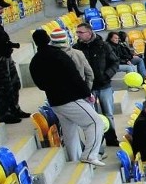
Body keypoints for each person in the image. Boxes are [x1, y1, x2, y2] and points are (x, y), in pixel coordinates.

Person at [29, 29, 104, 166]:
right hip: (71, 98)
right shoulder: (59, 55)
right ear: (48, 39)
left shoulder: (35, 61)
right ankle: (89, 155)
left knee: (70, 133)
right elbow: (74, 76)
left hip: (55, 102)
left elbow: (40, 85)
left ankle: (74, 162)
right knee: (95, 122)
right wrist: (87, 93)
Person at [73, 23, 120, 146]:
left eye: (80, 32)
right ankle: (97, 143)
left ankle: (111, 139)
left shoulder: (104, 45)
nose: (78, 34)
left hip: (104, 86)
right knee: (92, 117)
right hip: (88, 88)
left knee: (108, 114)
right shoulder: (76, 48)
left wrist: (107, 75)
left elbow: (115, 62)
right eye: (77, 32)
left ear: (89, 33)